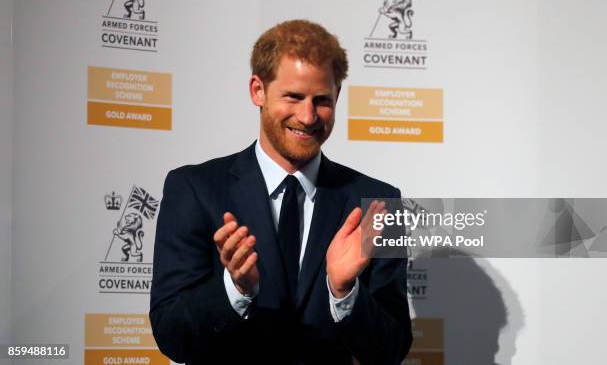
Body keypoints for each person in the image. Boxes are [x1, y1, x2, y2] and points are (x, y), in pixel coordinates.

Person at [150, 20, 412, 365]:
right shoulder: (194, 189)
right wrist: (236, 289)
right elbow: (172, 336)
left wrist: (345, 292)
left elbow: (391, 350)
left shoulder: (378, 202)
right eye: (293, 97)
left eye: (322, 100)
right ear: (258, 90)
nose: (307, 116)